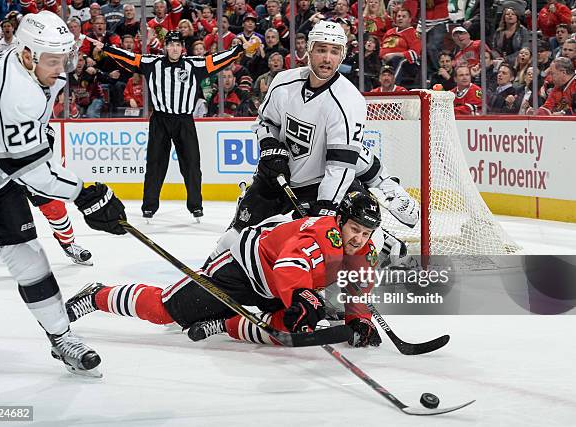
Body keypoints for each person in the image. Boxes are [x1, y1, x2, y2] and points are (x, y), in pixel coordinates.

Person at [0, 11, 127, 376]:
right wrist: (85, 194)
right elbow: (29, 171)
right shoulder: (13, 91)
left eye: (64, 57)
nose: (62, 67)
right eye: (53, 60)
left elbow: (32, 144)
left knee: (30, 261)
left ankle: (62, 337)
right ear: (26, 54)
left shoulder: (37, 69)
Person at [210, 21, 418, 262]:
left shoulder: (349, 101)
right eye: (320, 49)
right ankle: (210, 273)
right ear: (308, 50)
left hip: (319, 184)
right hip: (277, 176)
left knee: (346, 234)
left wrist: (325, 210)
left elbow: (340, 166)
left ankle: (386, 247)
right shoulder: (283, 82)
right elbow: (265, 122)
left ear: (342, 56)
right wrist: (269, 146)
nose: (327, 58)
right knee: (233, 239)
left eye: (334, 51)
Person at [66, 191, 383, 348]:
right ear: (340, 221)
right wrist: (303, 296)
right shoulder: (322, 235)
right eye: (354, 228)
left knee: (289, 331)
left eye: (365, 233)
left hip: (278, 286)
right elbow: (292, 264)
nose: (358, 238)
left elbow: (357, 287)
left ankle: (225, 324)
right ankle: (96, 296)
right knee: (165, 312)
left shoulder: (364, 250)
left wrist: (360, 321)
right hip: (244, 268)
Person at [93, 31, 253, 220]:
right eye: (171, 44)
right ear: (166, 47)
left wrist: (238, 49)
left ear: (182, 48)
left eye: (178, 45)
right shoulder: (152, 63)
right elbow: (129, 58)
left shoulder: (195, 64)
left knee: (192, 164)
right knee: (155, 164)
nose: (175, 48)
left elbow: (218, 59)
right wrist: (108, 48)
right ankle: (149, 206)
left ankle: (195, 205)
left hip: (184, 120)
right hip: (160, 120)